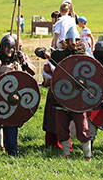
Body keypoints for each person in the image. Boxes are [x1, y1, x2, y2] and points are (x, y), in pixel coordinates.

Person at [38, 27, 92, 161]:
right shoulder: (58, 55)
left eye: (77, 40)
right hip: (62, 96)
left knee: (82, 126)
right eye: (72, 40)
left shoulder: (83, 56)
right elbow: (40, 52)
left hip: (78, 98)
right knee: (62, 128)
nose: (75, 43)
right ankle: (66, 154)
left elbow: (92, 73)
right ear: (67, 41)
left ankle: (88, 155)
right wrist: (44, 53)